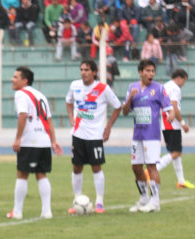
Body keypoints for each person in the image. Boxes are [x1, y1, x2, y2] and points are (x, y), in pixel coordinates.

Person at [65, 59, 122, 214]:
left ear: (94, 72)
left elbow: (118, 106)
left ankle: (99, 202)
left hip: (95, 136)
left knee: (96, 167)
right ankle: (77, 199)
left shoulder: (103, 89)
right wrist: (71, 118)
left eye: (87, 70)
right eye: (82, 69)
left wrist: (108, 127)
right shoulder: (74, 85)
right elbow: (68, 101)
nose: (83, 72)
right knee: (77, 167)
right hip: (78, 134)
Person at [6, 66, 63, 220]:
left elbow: (23, 115)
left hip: (30, 141)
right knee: (41, 174)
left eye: (15, 77)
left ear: (24, 81)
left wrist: (18, 138)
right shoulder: (40, 95)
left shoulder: (21, 94)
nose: (12, 79)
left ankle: (17, 212)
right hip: (43, 141)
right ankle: (47, 211)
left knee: (22, 174)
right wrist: (53, 140)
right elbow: (48, 119)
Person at [123, 59, 174, 213]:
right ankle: (144, 198)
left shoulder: (158, 88)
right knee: (136, 167)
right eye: (148, 71)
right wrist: (130, 97)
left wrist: (170, 115)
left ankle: (155, 201)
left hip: (152, 134)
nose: (151, 74)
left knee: (151, 165)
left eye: (153, 71)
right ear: (140, 72)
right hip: (137, 134)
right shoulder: (132, 87)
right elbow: (125, 111)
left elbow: (169, 107)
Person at [157, 69, 194, 188]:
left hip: (165, 123)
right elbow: (174, 107)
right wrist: (183, 123)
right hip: (172, 123)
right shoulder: (175, 88)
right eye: (184, 80)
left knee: (176, 153)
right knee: (176, 153)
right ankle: (151, 171)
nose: (183, 84)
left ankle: (181, 181)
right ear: (179, 78)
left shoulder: (165, 86)